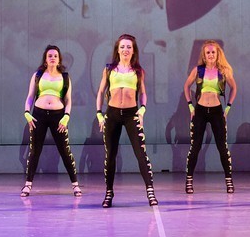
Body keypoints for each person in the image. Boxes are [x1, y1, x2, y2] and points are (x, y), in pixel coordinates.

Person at [95, 34, 157, 207]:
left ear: (133, 50)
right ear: (117, 49)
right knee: (111, 155)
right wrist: (99, 114)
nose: (125, 50)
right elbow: (101, 92)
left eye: (129, 47)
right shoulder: (109, 69)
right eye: (122, 47)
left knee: (140, 153)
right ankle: (109, 193)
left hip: (131, 115)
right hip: (112, 114)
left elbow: (143, 93)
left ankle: (150, 191)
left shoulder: (138, 71)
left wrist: (142, 110)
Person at [20, 45, 81, 198]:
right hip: (38, 115)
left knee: (64, 150)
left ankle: (75, 185)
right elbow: (30, 96)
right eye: (50, 56)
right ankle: (28, 184)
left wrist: (66, 116)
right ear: (45, 59)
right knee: (35, 150)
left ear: (59, 59)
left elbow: (68, 100)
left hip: (58, 116)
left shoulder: (65, 77)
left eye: (55, 56)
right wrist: (27, 112)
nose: (52, 58)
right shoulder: (38, 75)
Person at [182, 40, 238, 194]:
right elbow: (186, 86)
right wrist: (190, 106)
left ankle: (229, 180)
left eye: (213, 52)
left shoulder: (223, 71)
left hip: (216, 111)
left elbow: (234, 88)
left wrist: (228, 107)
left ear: (218, 54)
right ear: (204, 55)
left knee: (222, 147)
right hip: (200, 110)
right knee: (195, 146)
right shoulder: (198, 70)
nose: (211, 55)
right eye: (208, 52)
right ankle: (189, 180)